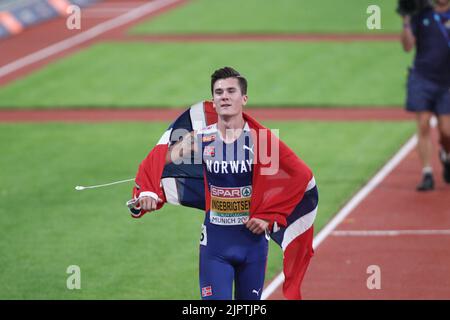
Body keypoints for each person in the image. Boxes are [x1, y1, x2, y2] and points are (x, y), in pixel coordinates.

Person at [131, 67, 317, 300]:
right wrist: (148, 190)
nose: (224, 96)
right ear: (213, 100)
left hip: (253, 245)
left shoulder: (261, 141)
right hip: (215, 246)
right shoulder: (201, 139)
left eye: (231, 91)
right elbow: (157, 158)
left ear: (244, 98)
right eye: (219, 92)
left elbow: (298, 177)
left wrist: (269, 215)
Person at [401, 0, 450, 191]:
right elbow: (407, 46)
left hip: (447, 82)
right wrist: (406, 20)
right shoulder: (420, 13)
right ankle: (427, 173)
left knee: (446, 131)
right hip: (422, 78)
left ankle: (446, 155)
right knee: (423, 123)